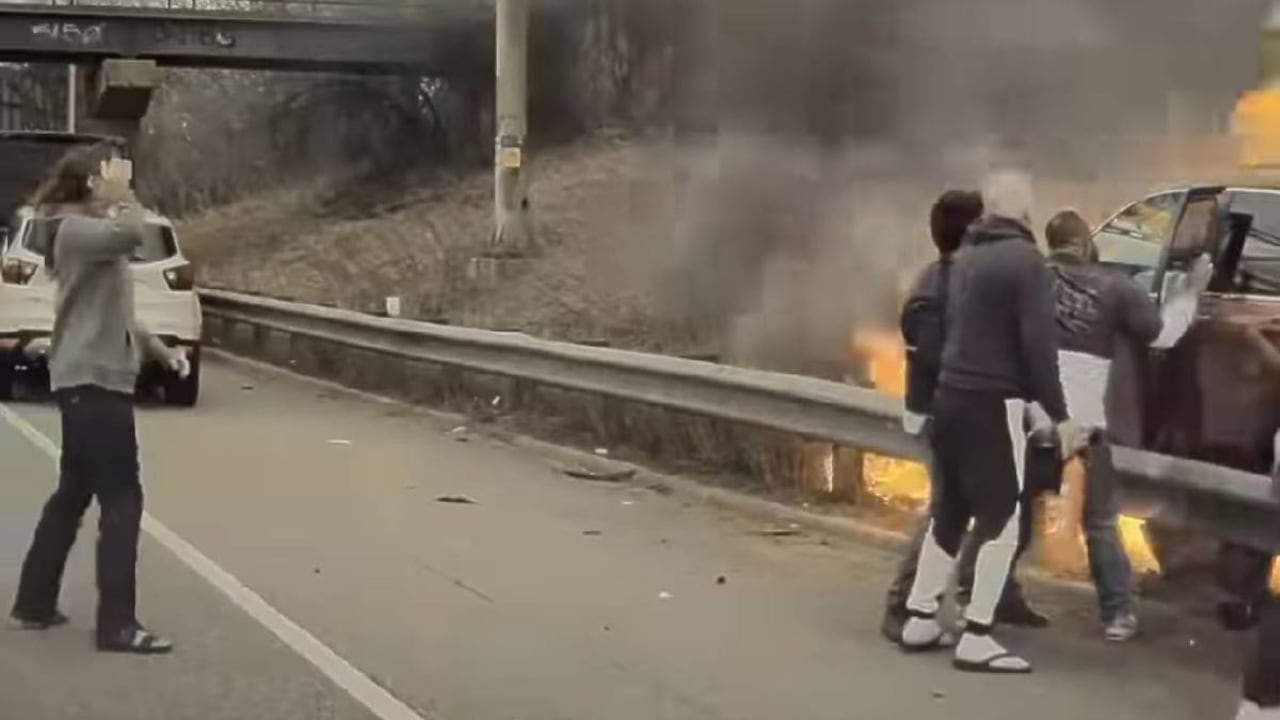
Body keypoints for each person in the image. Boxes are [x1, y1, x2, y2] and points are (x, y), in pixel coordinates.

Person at [900, 171, 1084, 674]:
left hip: (949, 399)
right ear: (1024, 211)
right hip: (992, 403)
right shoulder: (1026, 262)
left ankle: (919, 616)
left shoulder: (963, 258)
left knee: (950, 512)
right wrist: (1060, 415)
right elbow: (1038, 346)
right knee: (1001, 518)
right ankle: (978, 634)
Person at [9, 148, 188, 654]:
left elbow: (121, 313)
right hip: (93, 382)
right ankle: (117, 625)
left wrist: (163, 353)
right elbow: (132, 233)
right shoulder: (74, 230)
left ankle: (34, 603)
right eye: (112, 170)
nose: (123, 178)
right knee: (123, 498)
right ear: (92, 181)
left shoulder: (89, 235)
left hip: (90, 379)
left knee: (72, 493)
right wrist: (123, 195)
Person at [881, 189, 1049, 645]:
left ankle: (994, 591)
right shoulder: (938, 286)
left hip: (980, 407)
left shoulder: (965, 277)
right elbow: (935, 355)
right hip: (951, 412)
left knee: (1006, 501)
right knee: (948, 511)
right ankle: (905, 605)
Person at [1041, 208, 1210, 642]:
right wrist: (1191, 290)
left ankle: (981, 596)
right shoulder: (1116, 287)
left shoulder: (1030, 279)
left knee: (1009, 513)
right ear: (1085, 244)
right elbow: (1163, 335)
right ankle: (1117, 615)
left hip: (1030, 421)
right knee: (1099, 521)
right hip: (1084, 429)